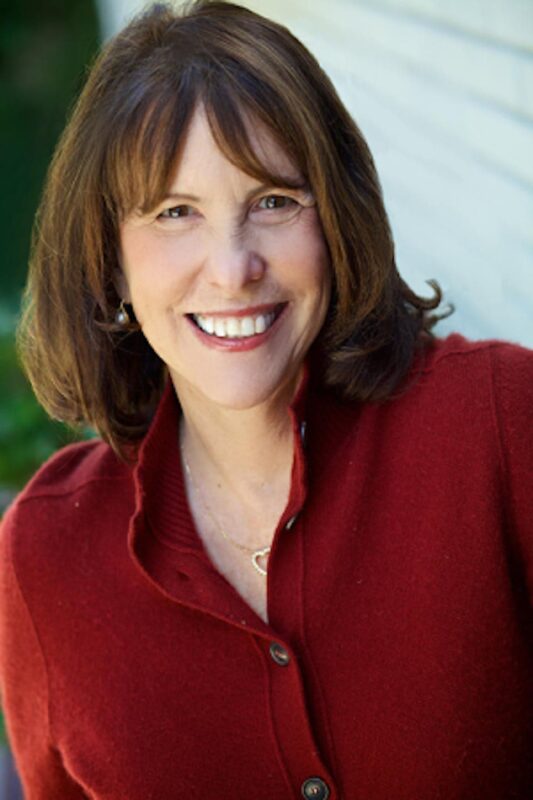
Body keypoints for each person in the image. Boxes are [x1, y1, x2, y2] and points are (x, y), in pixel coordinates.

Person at [0, 1, 531, 798]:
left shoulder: (498, 423)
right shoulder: (46, 557)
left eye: (274, 201)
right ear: (108, 261)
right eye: (175, 213)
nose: (232, 266)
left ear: (337, 218)